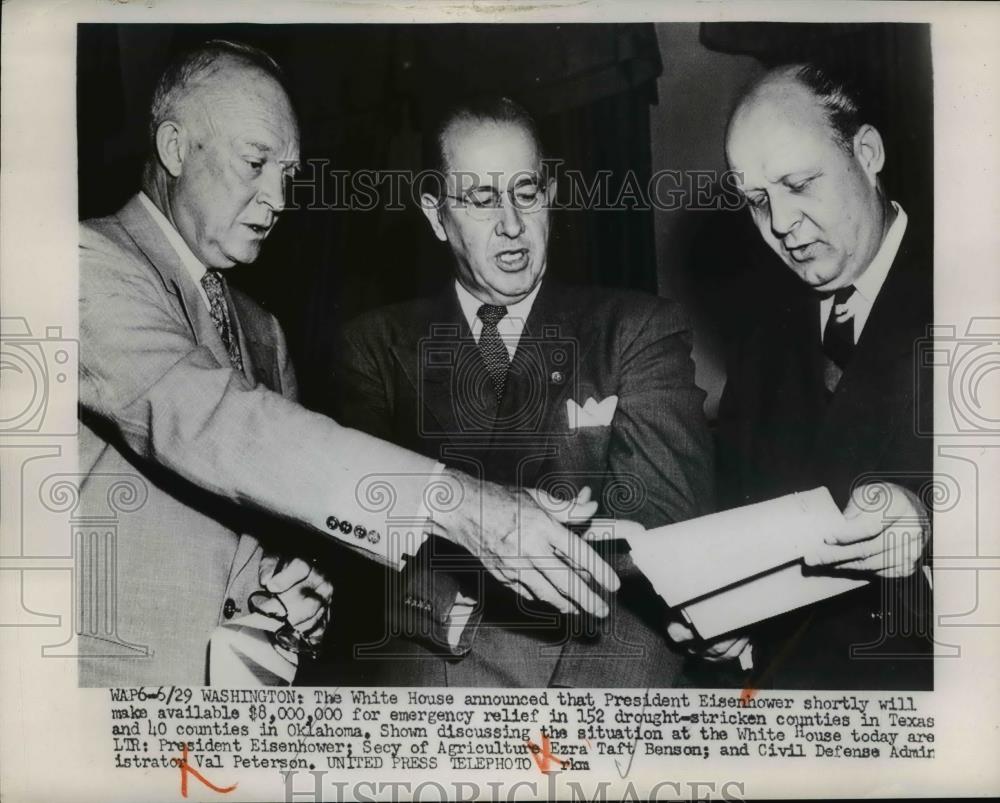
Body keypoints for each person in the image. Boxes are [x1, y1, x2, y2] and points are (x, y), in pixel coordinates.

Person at [78, 43, 617, 687]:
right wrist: (459, 501)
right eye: (255, 164)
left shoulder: (264, 330)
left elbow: (279, 503)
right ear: (174, 147)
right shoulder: (83, 260)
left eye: (288, 174)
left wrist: (301, 589)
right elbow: (206, 418)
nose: (278, 197)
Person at [320, 97, 714, 687]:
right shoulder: (374, 347)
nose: (511, 223)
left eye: (526, 193)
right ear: (435, 215)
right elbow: (362, 533)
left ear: (549, 194)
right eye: (481, 200)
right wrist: (454, 621)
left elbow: (664, 535)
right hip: (439, 667)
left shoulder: (635, 328)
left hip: (602, 670)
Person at [713, 63, 933, 689]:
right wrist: (726, 629)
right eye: (758, 199)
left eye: (799, 184)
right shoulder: (761, 342)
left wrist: (929, 528)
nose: (780, 223)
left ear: (867, 153)